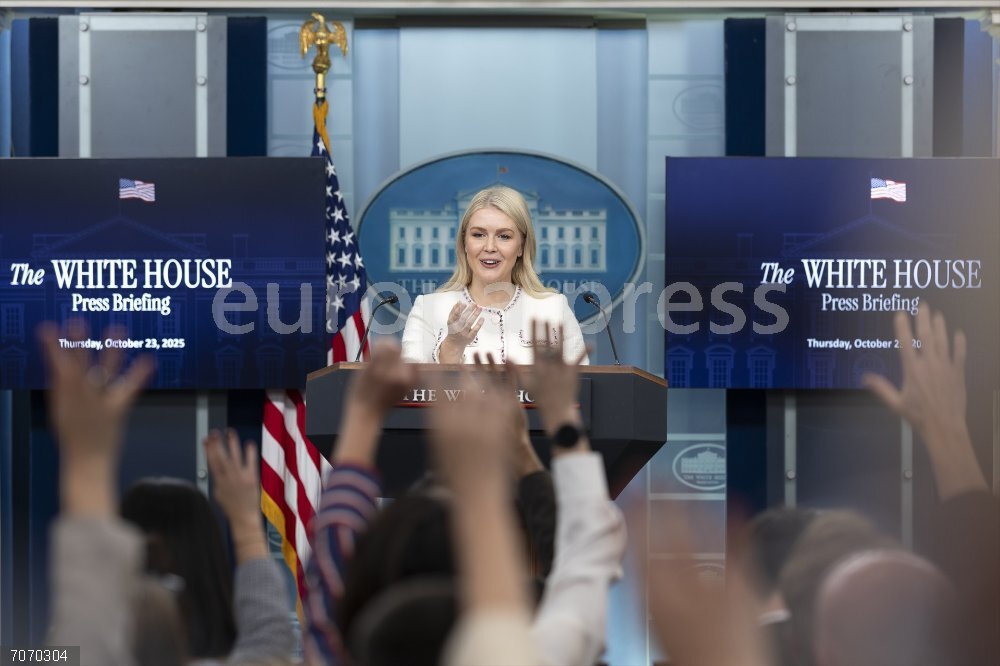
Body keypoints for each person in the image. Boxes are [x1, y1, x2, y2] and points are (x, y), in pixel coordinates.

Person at [401, 185, 589, 365]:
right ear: (464, 243)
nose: (489, 247)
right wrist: (451, 347)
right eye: (478, 235)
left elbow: (580, 390)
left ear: (521, 246)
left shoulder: (554, 308)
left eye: (504, 236)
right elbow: (412, 392)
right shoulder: (427, 309)